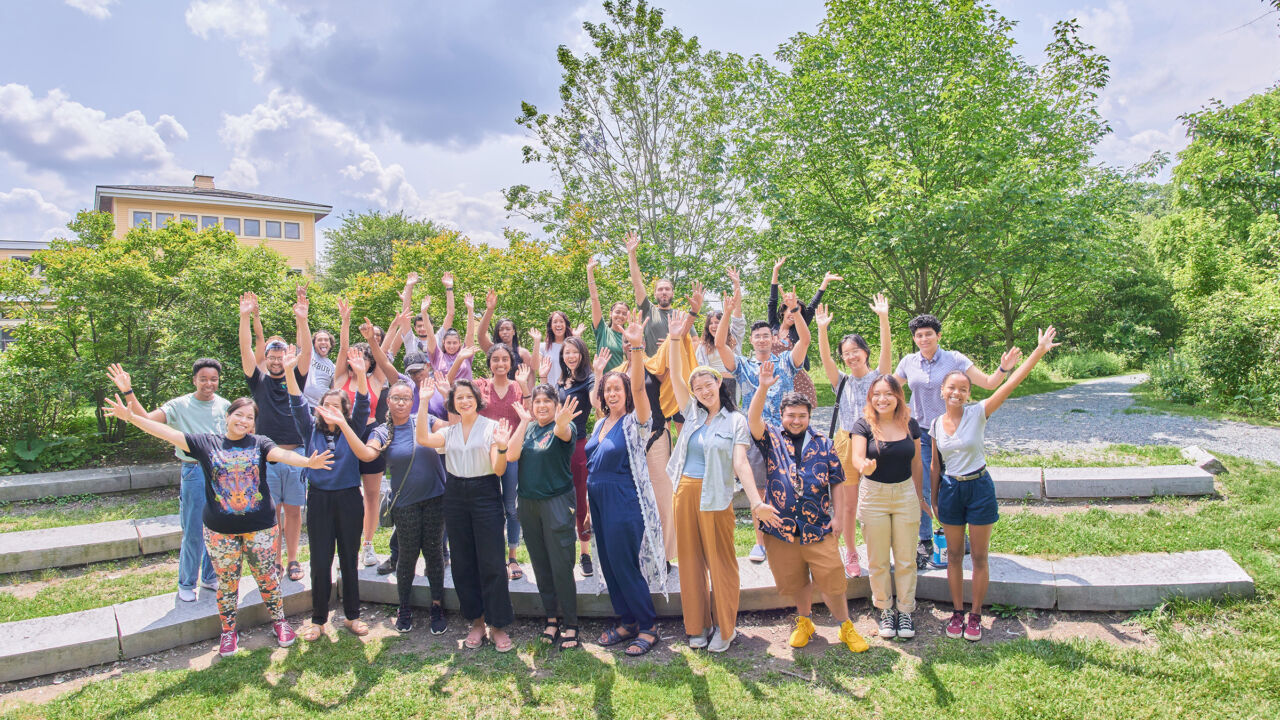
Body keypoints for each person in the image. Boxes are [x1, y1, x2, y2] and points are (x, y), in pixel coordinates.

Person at [102, 394, 331, 657]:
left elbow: (281, 454)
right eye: (239, 414)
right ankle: (228, 631)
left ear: (254, 424)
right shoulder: (205, 443)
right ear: (228, 416)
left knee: (267, 578)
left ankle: (279, 622)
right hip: (220, 531)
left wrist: (306, 462)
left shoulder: (261, 443)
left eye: (249, 417)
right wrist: (131, 417)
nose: (243, 421)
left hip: (261, 528)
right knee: (226, 583)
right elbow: (166, 432)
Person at [932, 327, 1060, 642]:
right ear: (942, 391)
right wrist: (933, 500)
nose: (957, 393)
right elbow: (935, 465)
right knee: (953, 556)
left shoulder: (979, 412)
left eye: (963, 389)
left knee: (978, 556)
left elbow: (1013, 383)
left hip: (979, 489)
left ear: (968, 394)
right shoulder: (935, 423)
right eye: (952, 388)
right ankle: (957, 612)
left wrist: (1038, 351)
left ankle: (975, 616)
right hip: (950, 490)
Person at [746, 361, 869, 654]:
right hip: (781, 529)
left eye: (802, 415)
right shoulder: (771, 438)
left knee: (832, 580)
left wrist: (838, 517)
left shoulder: (824, 444)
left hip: (818, 527)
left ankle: (845, 625)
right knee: (796, 580)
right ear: (782, 416)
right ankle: (805, 621)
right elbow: (752, 420)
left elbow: (838, 481)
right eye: (791, 416)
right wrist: (763, 387)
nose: (796, 420)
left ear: (810, 415)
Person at [667, 311, 769, 653]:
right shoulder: (692, 412)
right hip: (685, 493)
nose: (702, 390)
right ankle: (697, 626)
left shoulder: (736, 421)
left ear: (718, 385)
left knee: (721, 562)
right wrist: (675, 339)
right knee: (691, 562)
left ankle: (725, 628)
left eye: (708, 385)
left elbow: (741, 463)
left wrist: (754, 500)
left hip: (717, 497)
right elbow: (676, 378)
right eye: (698, 388)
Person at [895, 314, 1021, 564]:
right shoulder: (908, 362)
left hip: (952, 434)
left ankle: (954, 534)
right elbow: (890, 387)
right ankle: (924, 540)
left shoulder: (955, 359)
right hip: (921, 433)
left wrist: (1004, 368)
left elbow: (988, 383)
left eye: (929, 333)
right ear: (914, 338)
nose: (924, 338)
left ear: (938, 336)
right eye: (919, 335)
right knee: (921, 487)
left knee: (949, 484)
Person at [107, 360, 228, 602]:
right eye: (203, 379)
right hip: (194, 472)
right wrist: (128, 392)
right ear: (194, 380)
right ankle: (186, 583)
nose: (208, 384)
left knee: (218, 529)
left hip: (220, 474)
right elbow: (148, 421)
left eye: (213, 379)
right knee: (194, 530)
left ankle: (210, 577)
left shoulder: (224, 405)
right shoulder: (179, 405)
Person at [416, 376, 518, 652]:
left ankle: (497, 625)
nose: (464, 401)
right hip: (456, 494)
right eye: (458, 397)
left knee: (492, 561)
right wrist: (424, 401)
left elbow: (498, 470)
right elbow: (423, 438)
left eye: (468, 396)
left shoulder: (492, 428)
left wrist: (502, 446)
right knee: (463, 561)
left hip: (485, 492)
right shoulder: (449, 431)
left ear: (477, 399)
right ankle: (476, 621)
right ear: (453, 402)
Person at [587, 311, 667, 657]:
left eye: (617, 388)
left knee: (624, 562)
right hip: (599, 500)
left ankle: (648, 626)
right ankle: (626, 620)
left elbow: (638, 384)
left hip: (623, 499)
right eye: (608, 390)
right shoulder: (599, 423)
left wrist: (635, 346)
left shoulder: (637, 422)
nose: (613, 393)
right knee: (608, 560)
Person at [715, 283, 810, 564]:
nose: (761, 340)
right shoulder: (743, 365)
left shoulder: (786, 361)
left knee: (793, 485)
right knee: (759, 489)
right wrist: (727, 314)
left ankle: (792, 534)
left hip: (787, 433)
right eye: (757, 337)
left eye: (766, 335)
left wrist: (794, 310)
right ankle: (760, 543)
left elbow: (804, 341)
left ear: (773, 338)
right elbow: (720, 344)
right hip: (755, 435)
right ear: (753, 340)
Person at [283, 347, 373, 639]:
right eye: (326, 405)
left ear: (345, 411)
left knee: (349, 558)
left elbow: (362, 401)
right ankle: (319, 619)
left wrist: (360, 373)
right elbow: (296, 402)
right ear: (319, 408)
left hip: (349, 498)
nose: (331, 410)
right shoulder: (310, 428)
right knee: (321, 560)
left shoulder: (354, 428)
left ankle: (351, 616)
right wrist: (288, 370)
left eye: (338, 406)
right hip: (319, 498)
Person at [814, 295, 892, 577]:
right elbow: (825, 358)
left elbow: (887, 352)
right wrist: (822, 330)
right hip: (845, 443)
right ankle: (851, 553)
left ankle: (878, 550)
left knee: (876, 501)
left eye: (855, 350)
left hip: (876, 442)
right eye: (846, 352)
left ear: (865, 352)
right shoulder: (841, 381)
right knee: (847, 505)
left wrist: (883, 318)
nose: (851, 356)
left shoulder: (880, 378)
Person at [365, 379, 450, 635]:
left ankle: (437, 605)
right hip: (405, 504)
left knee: (434, 553)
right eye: (396, 398)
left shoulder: (426, 420)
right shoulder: (382, 431)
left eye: (406, 398)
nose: (401, 402)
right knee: (407, 555)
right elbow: (369, 453)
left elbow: (456, 427)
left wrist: (446, 395)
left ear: (412, 402)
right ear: (388, 401)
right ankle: (404, 607)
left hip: (436, 498)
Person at [849, 374, 927, 640]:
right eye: (877, 394)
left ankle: (905, 610)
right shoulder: (863, 425)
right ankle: (884, 608)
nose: (882, 399)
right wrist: (864, 466)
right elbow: (857, 457)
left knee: (906, 559)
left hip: (905, 493)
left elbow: (917, 463)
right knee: (878, 560)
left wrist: (919, 496)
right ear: (871, 398)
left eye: (888, 394)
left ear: (898, 397)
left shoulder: (910, 424)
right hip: (874, 496)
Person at [238, 291, 308, 581]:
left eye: (281, 356)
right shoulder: (259, 381)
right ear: (265, 359)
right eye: (272, 357)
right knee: (272, 513)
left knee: (293, 512)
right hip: (266, 456)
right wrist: (245, 317)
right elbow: (245, 349)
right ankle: (275, 561)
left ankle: (293, 560)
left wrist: (302, 320)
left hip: (296, 454)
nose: (277, 361)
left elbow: (306, 352)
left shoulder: (296, 377)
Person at [506, 388, 583, 650]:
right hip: (528, 504)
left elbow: (565, 433)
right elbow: (511, 455)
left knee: (561, 564)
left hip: (557, 503)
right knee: (540, 563)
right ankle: (551, 618)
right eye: (537, 401)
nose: (541, 406)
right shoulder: (527, 428)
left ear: (556, 404)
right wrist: (523, 422)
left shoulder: (563, 425)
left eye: (547, 401)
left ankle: (571, 624)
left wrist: (561, 422)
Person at [448, 343, 530, 580]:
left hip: (511, 453)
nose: (500, 363)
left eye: (505, 359)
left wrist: (525, 386)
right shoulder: (480, 385)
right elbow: (452, 386)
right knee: (488, 507)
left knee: (511, 506)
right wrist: (460, 359)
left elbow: (530, 412)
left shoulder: (517, 386)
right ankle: (490, 554)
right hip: (483, 454)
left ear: (511, 362)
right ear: (490, 363)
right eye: (496, 359)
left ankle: (512, 556)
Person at [331, 301, 392, 568]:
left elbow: (384, 351)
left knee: (371, 494)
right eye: (354, 356)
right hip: (342, 436)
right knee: (345, 493)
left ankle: (367, 545)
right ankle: (345, 544)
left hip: (369, 435)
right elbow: (343, 348)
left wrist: (382, 332)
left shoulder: (376, 380)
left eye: (364, 357)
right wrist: (345, 321)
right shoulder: (340, 379)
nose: (358, 360)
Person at [548, 336, 596, 578]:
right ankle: (562, 549)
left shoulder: (589, 378)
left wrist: (598, 373)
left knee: (579, 497)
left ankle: (585, 552)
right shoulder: (560, 381)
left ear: (582, 354)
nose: (570, 356)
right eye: (567, 352)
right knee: (557, 498)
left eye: (575, 352)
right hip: (557, 443)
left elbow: (597, 402)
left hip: (578, 443)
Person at [695, 268, 745, 402]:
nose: (714, 326)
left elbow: (738, 315)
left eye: (717, 322)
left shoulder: (734, 337)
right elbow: (702, 370)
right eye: (710, 323)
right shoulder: (703, 346)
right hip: (714, 385)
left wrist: (736, 285)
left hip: (733, 384)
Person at [626, 230, 676, 355]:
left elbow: (695, 342)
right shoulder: (648, 310)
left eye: (667, 289)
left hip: (673, 370)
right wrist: (632, 253)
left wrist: (674, 343)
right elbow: (637, 283)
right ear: (655, 294)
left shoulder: (680, 316)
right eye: (660, 289)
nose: (663, 292)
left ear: (672, 293)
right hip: (651, 370)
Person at [478, 289, 534, 379]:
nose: (505, 332)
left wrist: (529, 393)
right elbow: (481, 335)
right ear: (498, 332)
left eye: (508, 329)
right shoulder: (492, 349)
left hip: (518, 392)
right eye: (501, 329)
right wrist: (490, 310)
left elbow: (531, 375)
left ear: (514, 332)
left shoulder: (523, 353)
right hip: (496, 391)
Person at [587, 256, 629, 373]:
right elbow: (595, 299)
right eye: (617, 312)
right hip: (603, 382)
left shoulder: (629, 337)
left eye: (624, 313)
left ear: (627, 317)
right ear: (611, 314)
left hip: (623, 384)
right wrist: (589, 271)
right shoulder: (603, 331)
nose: (620, 315)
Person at [529, 311, 585, 387]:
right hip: (549, 392)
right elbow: (534, 367)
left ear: (566, 325)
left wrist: (577, 338)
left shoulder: (571, 346)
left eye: (561, 321)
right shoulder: (543, 346)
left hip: (570, 390)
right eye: (555, 322)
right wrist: (536, 342)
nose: (558, 324)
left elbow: (582, 365)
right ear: (551, 326)